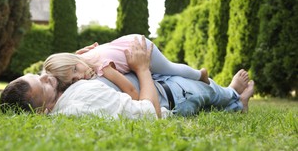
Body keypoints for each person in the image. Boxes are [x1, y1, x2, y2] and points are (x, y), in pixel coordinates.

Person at [0, 36, 255, 119]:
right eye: (42, 84)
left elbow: (61, 70)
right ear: (43, 110)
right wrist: (142, 68)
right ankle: (235, 99)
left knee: (209, 87)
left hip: (158, 82)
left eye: (38, 75)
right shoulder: (83, 101)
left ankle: (232, 95)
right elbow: (150, 113)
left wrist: (80, 59)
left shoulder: (62, 87)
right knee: (210, 92)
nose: (46, 77)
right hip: (172, 95)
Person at [43, 34, 209, 100]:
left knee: (170, 69)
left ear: (74, 59)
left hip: (139, 47)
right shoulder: (83, 59)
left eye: (75, 70)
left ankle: (200, 74)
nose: (79, 77)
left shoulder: (102, 67)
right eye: (73, 80)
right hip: (125, 43)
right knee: (165, 73)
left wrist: (137, 104)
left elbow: (130, 90)